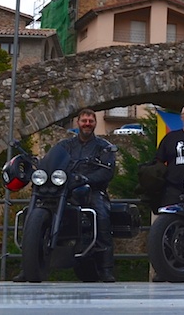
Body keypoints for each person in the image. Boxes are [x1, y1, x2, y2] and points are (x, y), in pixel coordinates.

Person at [57, 108, 117, 282]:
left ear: (95, 123)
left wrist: (85, 180)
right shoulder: (65, 145)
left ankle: (106, 269)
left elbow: (107, 172)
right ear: (78, 122)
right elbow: (53, 161)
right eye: (84, 120)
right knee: (39, 212)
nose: (87, 124)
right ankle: (30, 263)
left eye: (90, 121)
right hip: (66, 191)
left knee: (102, 216)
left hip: (92, 191)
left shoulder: (104, 146)